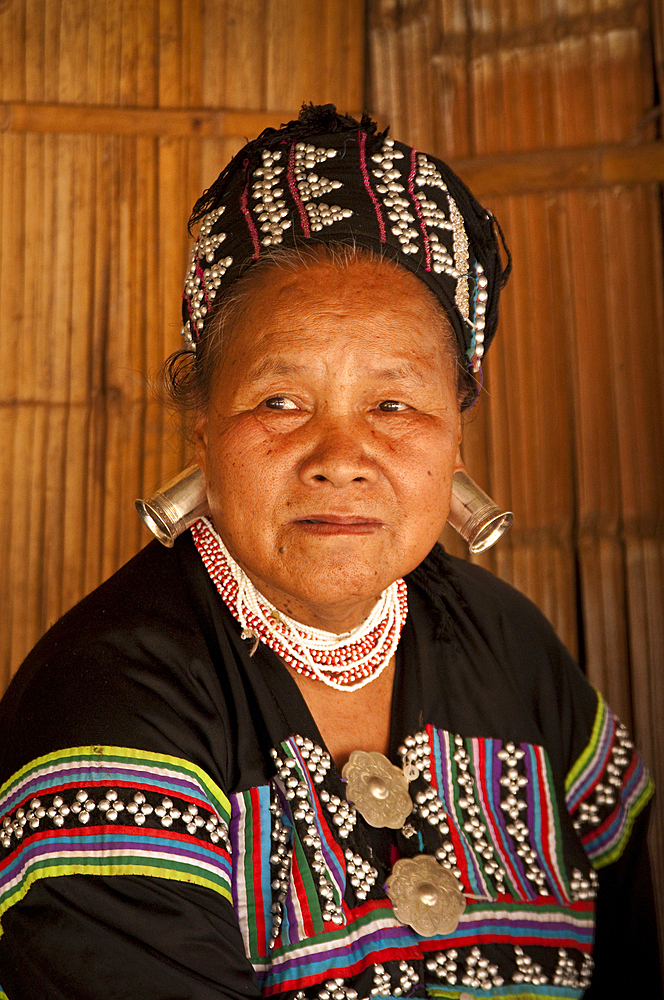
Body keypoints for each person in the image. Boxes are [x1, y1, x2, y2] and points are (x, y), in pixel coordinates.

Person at [0, 105, 660, 999]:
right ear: (203, 427)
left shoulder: (520, 655)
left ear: (456, 436)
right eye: (280, 402)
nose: (341, 459)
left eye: (395, 406)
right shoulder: (107, 708)